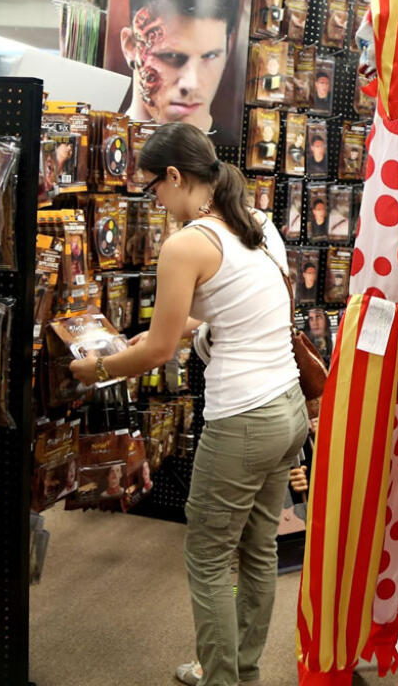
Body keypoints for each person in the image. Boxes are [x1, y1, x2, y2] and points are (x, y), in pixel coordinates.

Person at [69, 123, 307, 686]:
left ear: (175, 176)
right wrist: (179, 332)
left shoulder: (186, 243)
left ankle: (223, 679)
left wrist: (94, 368)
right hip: (287, 407)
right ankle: (242, 671)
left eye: (152, 187)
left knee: (205, 555)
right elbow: (247, 303)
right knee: (256, 551)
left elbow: (152, 352)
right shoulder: (257, 224)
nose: (153, 200)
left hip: (243, 419)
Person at [119, 0, 242, 143]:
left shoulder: (232, 155)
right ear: (131, 46)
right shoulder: (97, 146)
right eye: (171, 56)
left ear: (229, 46)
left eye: (210, 56)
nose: (190, 83)